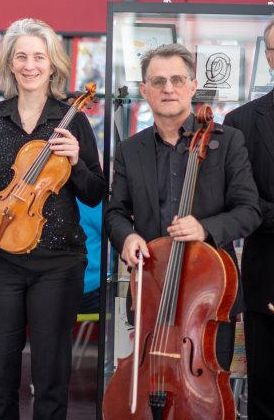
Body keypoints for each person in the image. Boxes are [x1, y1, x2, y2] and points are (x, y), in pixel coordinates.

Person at [0, 18, 106, 419]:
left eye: (38, 57)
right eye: (21, 56)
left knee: (50, 376)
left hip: (58, 263)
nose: (30, 65)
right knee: (0, 375)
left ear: (52, 64)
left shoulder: (72, 119)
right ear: (10, 63)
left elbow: (95, 190)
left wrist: (77, 162)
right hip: (1, 261)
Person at [104, 43, 261, 373]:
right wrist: (127, 238)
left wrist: (205, 229)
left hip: (210, 293)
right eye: (158, 81)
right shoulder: (130, 150)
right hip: (152, 288)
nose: (168, 88)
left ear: (192, 85)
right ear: (145, 90)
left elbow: (249, 211)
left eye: (177, 79)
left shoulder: (228, 141)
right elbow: (115, 213)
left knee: (204, 387)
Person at [223, 19, 274, 419]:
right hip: (268, 273)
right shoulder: (240, 123)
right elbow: (242, 203)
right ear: (268, 58)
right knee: (265, 395)